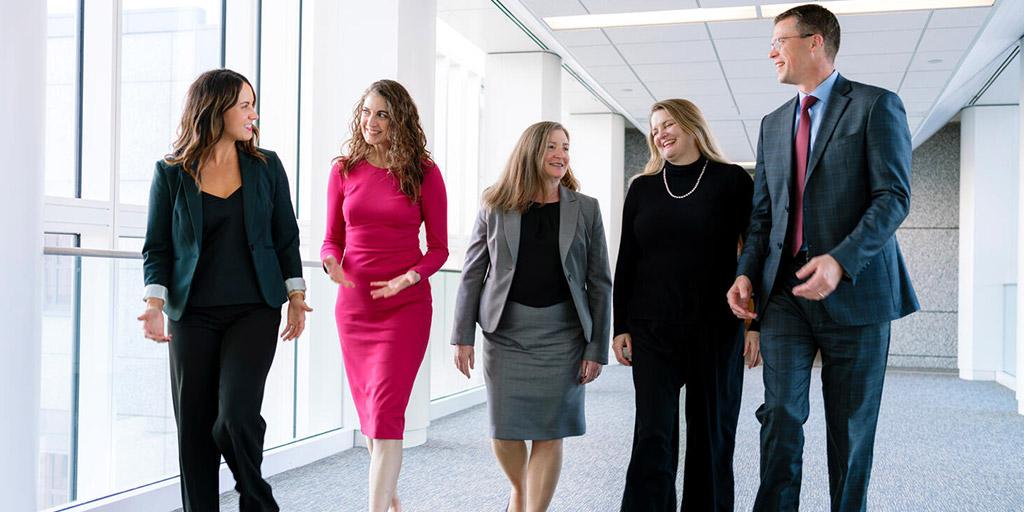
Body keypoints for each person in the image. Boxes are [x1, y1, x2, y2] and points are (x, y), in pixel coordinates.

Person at [725, 4, 920, 511]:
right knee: (781, 414)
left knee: (851, 428)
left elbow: (893, 198)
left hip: (857, 290)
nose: (771, 52)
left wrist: (840, 259)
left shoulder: (875, 105)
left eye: (779, 41)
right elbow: (763, 217)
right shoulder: (773, 124)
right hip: (785, 294)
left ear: (815, 42)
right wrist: (746, 275)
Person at [138, 68, 310, 512]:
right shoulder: (170, 173)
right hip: (191, 313)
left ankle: (258, 500)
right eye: (245, 105)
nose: (254, 114)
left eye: (253, 104)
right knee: (194, 431)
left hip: (254, 309)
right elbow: (157, 247)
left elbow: (286, 237)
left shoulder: (266, 166)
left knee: (235, 417)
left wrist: (296, 296)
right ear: (216, 110)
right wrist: (154, 303)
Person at [452, 121, 612, 512]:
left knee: (550, 432)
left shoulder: (585, 208)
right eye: (552, 147)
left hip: (564, 336)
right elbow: (473, 272)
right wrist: (462, 335)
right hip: (505, 334)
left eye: (566, 147)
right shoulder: (494, 204)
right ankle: (521, 492)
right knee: (504, 432)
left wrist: (596, 348)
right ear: (531, 152)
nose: (561, 155)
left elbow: (599, 282)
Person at [614, 99, 755, 511]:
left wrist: (758, 325)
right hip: (652, 329)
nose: (660, 134)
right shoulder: (642, 188)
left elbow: (755, 253)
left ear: (693, 126)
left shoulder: (732, 181)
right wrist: (621, 326)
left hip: (716, 328)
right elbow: (627, 260)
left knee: (711, 434)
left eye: (668, 124)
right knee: (652, 435)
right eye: (654, 128)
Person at [320, 79, 448, 512]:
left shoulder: (424, 173)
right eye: (366, 112)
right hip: (355, 307)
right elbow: (331, 239)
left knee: (387, 414)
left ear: (400, 121)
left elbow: (439, 249)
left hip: (405, 308)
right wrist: (331, 263)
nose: (370, 122)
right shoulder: (344, 170)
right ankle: (391, 501)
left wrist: (408, 278)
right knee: (371, 418)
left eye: (382, 115)